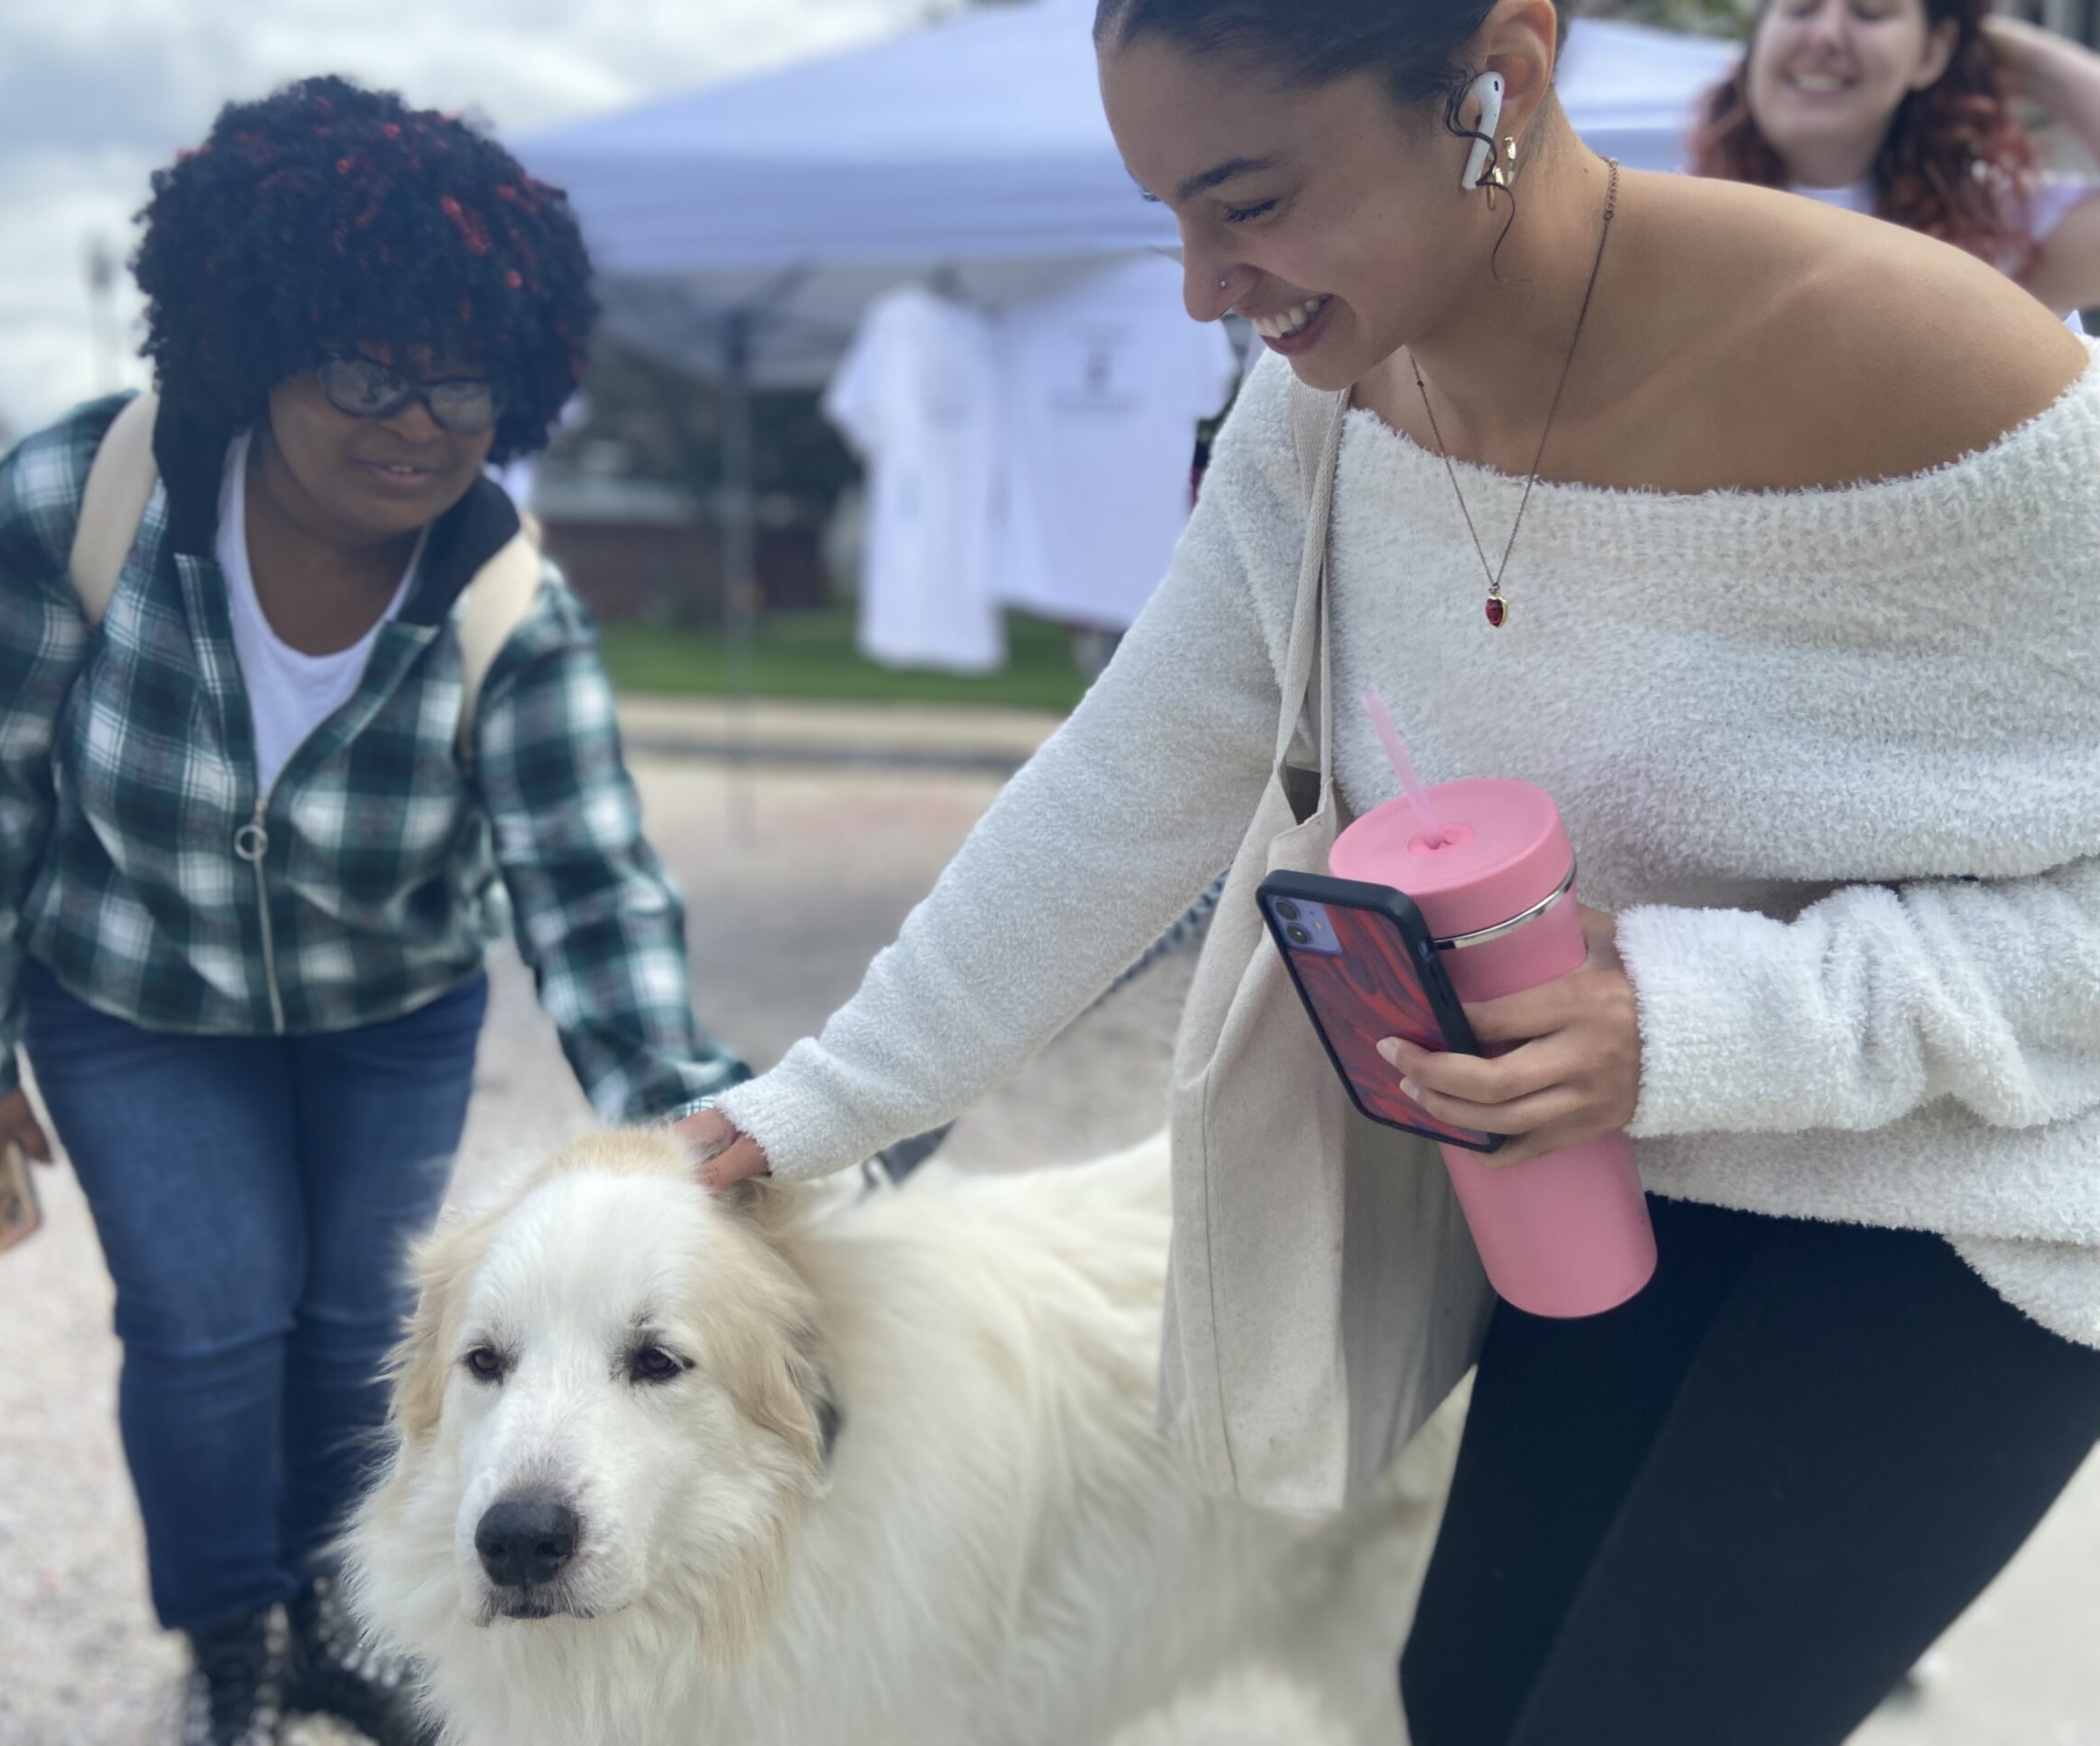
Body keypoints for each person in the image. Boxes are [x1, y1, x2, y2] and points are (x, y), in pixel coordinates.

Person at [678, 3, 2100, 1741]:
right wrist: (811, 1109)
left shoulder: (1934, 368)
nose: (1207, 286)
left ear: (1497, 77)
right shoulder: (1322, 416)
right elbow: (1125, 784)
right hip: (1623, 1175)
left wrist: (1702, 1013)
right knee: (1459, 1700)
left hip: (1985, 1199)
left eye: (1250, 200)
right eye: (1171, 220)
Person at [0, 76, 746, 1746]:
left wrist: (702, 1137)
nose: (415, 421)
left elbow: (590, 881)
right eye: (366, 367)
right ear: (255, 338)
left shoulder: (503, 599)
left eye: (459, 379)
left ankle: (339, 1614)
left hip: (389, 1011)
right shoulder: (69, 510)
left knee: (365, 1334)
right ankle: (233, 1640)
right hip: (128, 1005)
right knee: (203, 1328)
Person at [1692, 0, 2100, 319]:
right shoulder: (1663, 200)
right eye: (1800, 7)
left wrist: (2007, 50)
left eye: (1870, 12)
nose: (1825, 35)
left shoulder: (1997, 229)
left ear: (1931, 54)